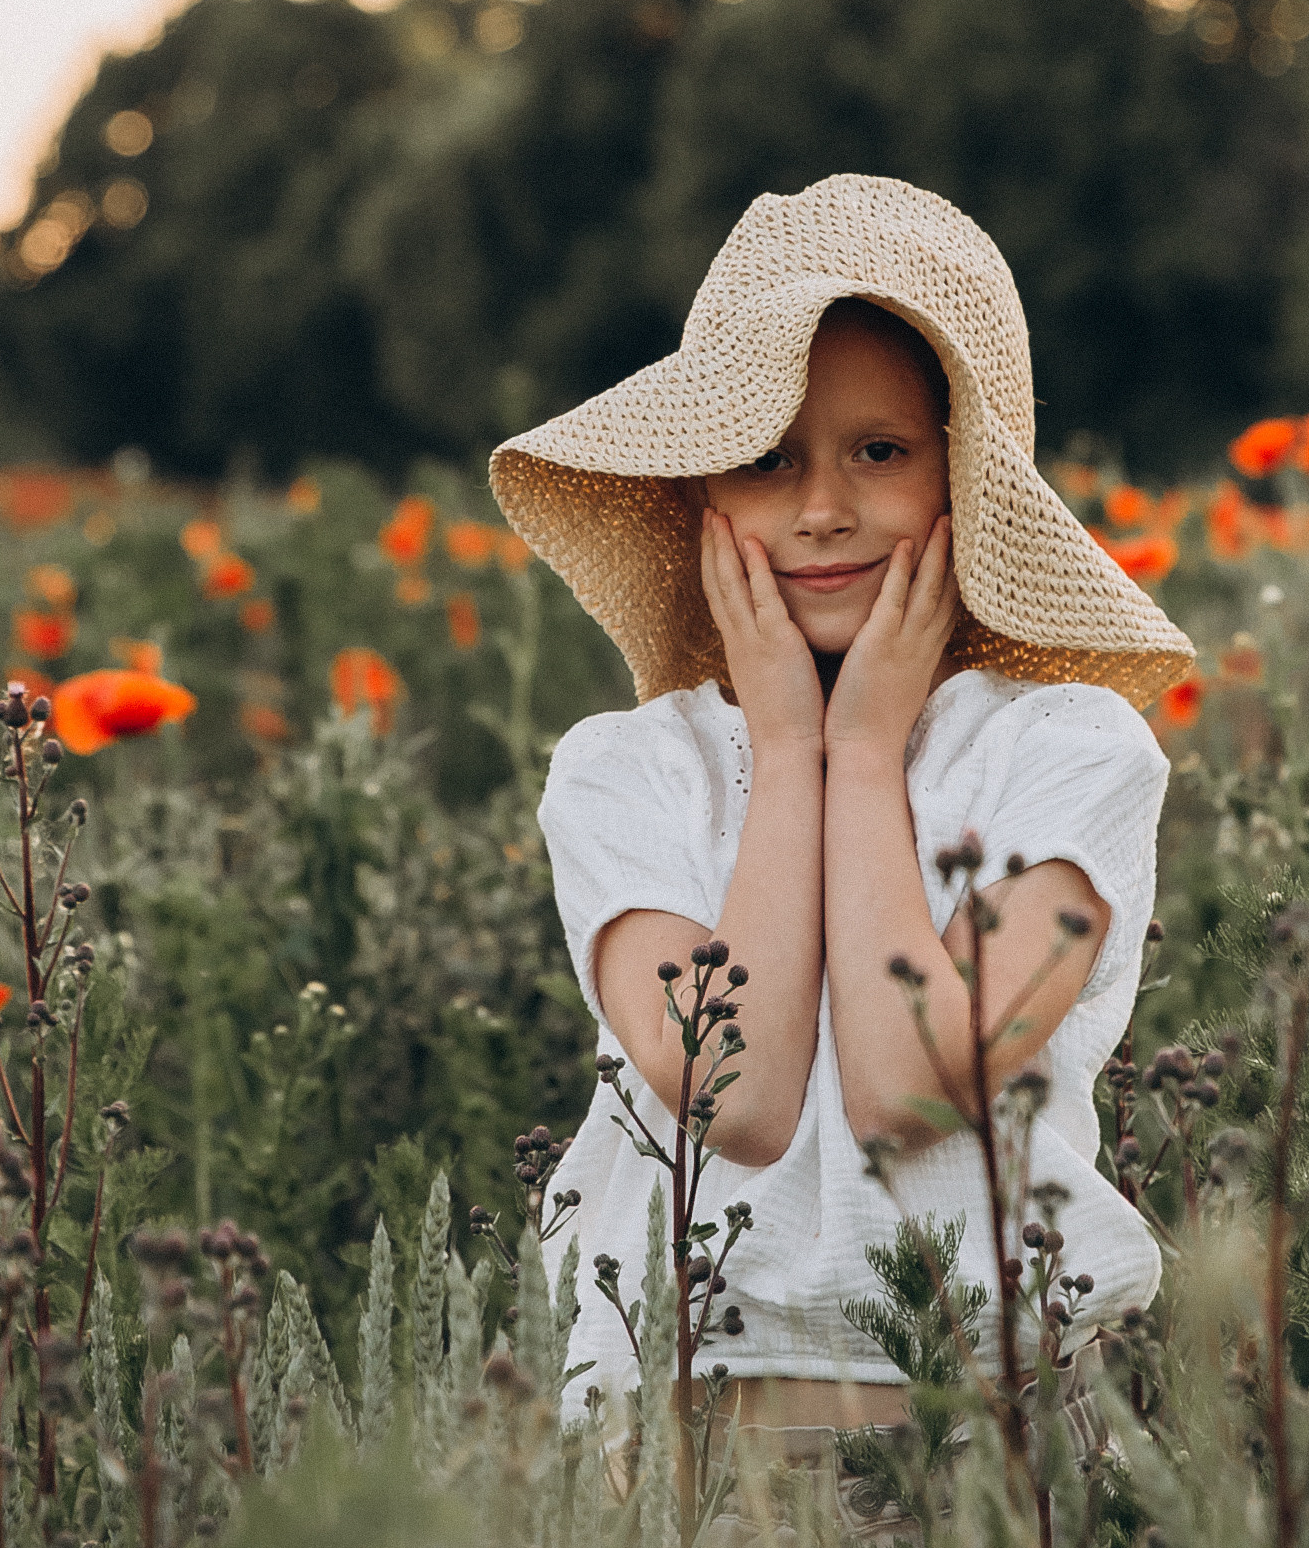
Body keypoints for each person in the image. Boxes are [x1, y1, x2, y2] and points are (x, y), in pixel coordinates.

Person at [488, 174, 1195, 1460]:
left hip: (998, 1458)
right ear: (706, 501)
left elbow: (903, 1087)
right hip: (682, 1479)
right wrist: (785, 747)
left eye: (879, 450)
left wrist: (859, 754)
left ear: (961, 482)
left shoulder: (1069, 752)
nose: (820, 508)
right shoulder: (623, 772)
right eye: (767, 459)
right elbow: (735, 1093)